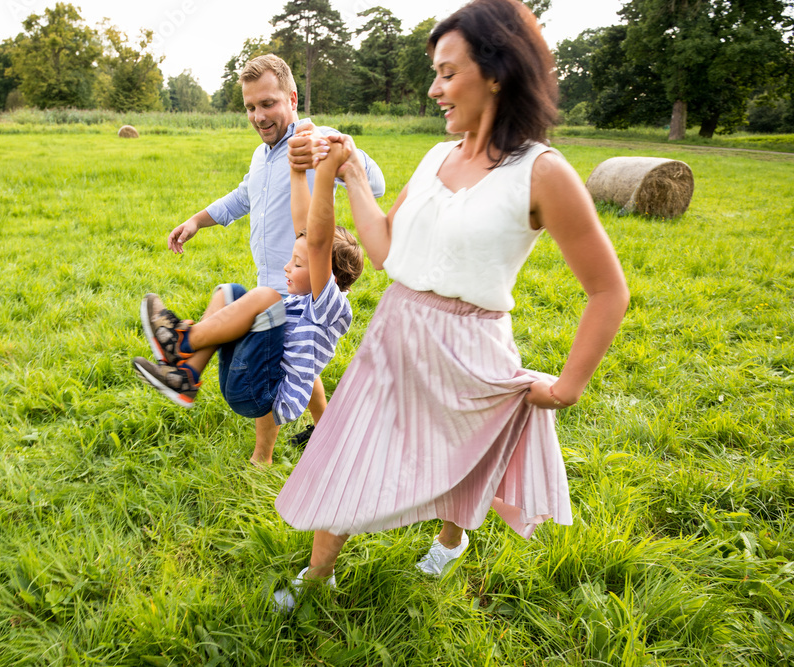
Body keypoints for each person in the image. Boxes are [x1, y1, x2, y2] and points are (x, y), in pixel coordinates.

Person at [270, 0, 630, 610]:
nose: (435, 88)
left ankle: (451, 540)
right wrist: (349, 171)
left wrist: (568, 387)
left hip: (472, 347)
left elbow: (607, 290)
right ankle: (318, 575)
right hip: (397, 332)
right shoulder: (437, 157)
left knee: (463, 462)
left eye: (446, 72)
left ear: (497, 72)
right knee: (348, 449)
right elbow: (383, 249)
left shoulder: (542, 172)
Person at [165, 54, 386, 461]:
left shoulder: (315, 138)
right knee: (302, 362)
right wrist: (198, 220)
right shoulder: (261, 156)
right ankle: (327, 431)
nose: (258, 115)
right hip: (277, 277)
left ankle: (262, 456)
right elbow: (242, 197)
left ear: (292, 98)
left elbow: (375, 183)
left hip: (307, 283)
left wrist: (337, 149)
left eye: (268, 104)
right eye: (250, 106)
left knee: (278, 369)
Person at [134, 133, 365, 465]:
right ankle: (186, 376)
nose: (289, 266)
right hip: (248, 376)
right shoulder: (305, 299)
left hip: (262, 395)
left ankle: (182, 341)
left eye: (298, 264)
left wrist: (325, 173)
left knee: (267, 296)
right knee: (230, 293)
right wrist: (297, 171)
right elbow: (304, 228)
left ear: (324, 273)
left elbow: (316, 240)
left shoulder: (330, 307)